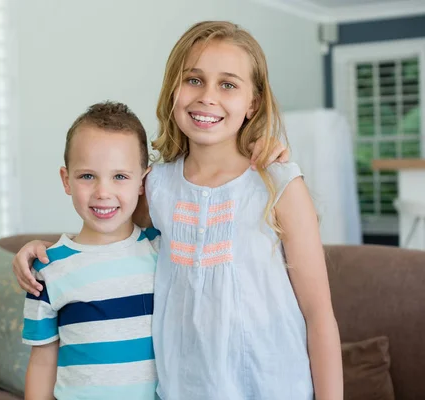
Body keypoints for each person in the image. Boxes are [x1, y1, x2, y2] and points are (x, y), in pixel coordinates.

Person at [17, 21, 343, 399]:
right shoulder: (155, 187)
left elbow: (319, 316)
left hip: (273, 385)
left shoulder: (279, 184)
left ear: (253, 103)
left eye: (228, 84)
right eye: (193, 80)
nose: (208, 96)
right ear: (173, 89)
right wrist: (39, 250)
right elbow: (107, 238)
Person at [22, 101, 161, 400]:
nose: (103, 192)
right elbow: (43, 361)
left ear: (142, 181)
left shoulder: (161, 250)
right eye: (87, 176)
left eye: (120, 176)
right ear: (66, 179)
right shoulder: (47, 268)